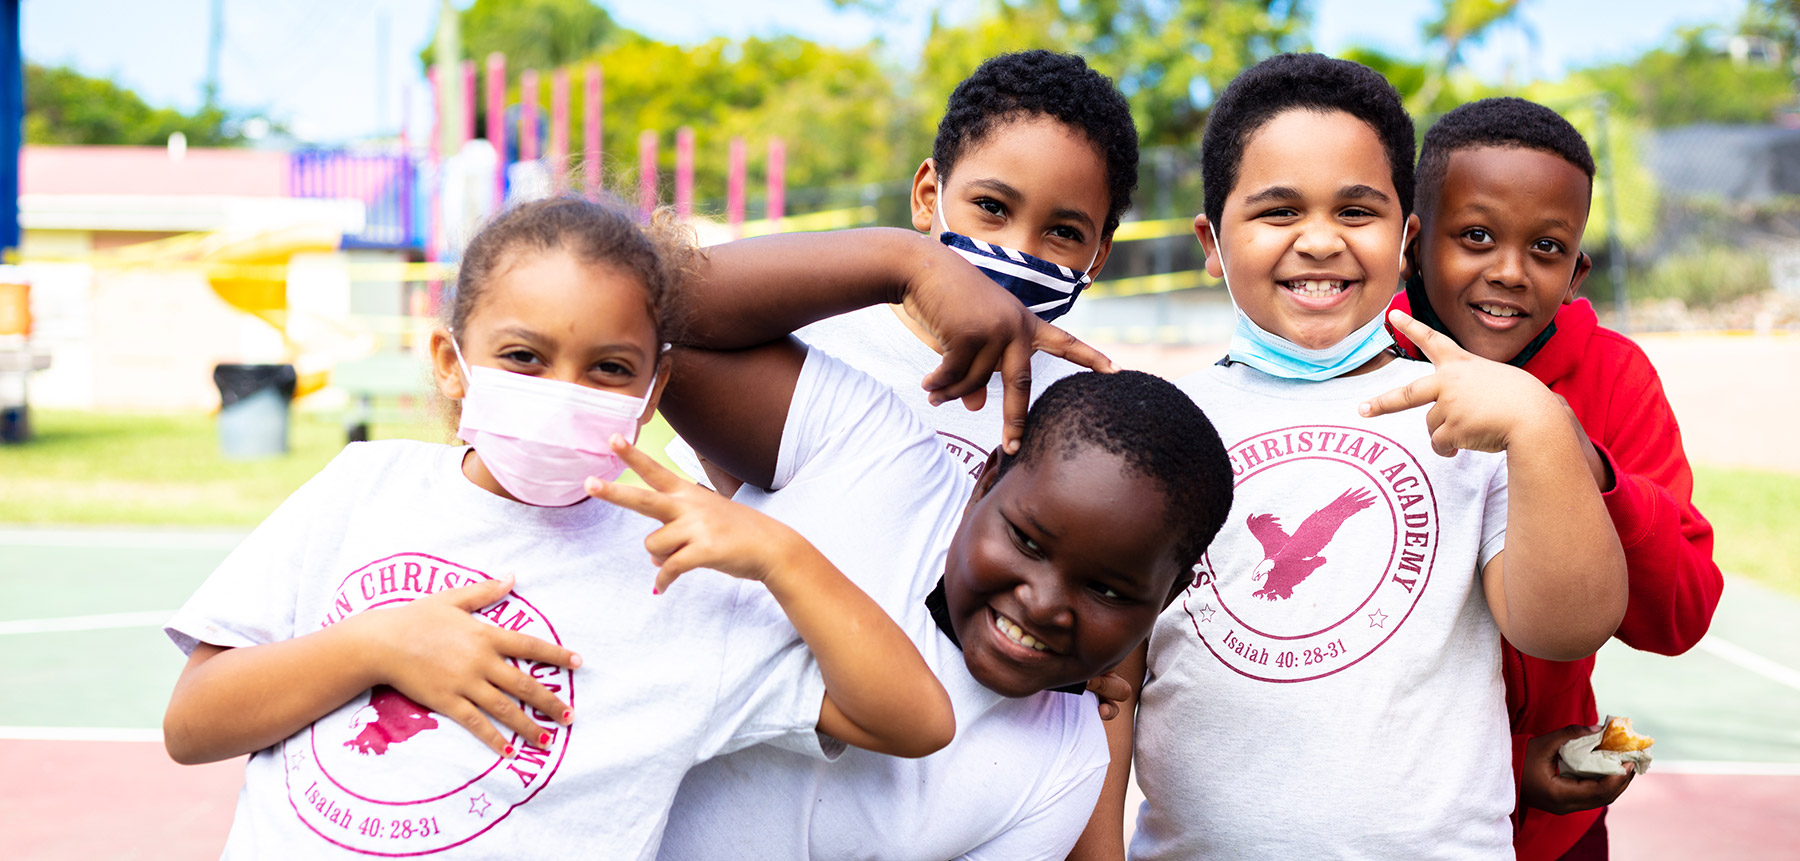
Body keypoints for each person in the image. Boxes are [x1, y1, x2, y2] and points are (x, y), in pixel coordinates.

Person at [160, 197, 954, 859]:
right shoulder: (365, 487)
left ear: (653, 388)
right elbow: (194, 724)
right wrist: (377, 644)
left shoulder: (683, 574)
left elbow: (914, 720)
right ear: (450, 361)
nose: (563, 390)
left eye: (609, 368)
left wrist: (783, 555)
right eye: (523, 356)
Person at [1078, 54, 1630, 859]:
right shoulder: (1157, 428)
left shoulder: (1470, 411)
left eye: (1357, 211)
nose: (1319, 240)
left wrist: (1540, 423)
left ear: (1405, 239)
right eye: (1278, 211)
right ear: (1211, 241)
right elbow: (1110, 686)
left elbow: (1567, 626)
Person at [619, 216, 1234, 858]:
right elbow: (650, 310)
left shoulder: (1065, 765)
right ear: (985, 482)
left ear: (1165, 600)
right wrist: (906, 264)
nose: (1044, 603)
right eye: (1027, 542)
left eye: (1108, 590)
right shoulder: (871, 454)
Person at [1391, 96, 1724, 860]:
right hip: (1391, 820)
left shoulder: (1615, 376)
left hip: (1552, 835)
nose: (1509, 271)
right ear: (1413, 242)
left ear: (1576, 270)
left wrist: (1583, 459)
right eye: (1476, 236)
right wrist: (1507, 767)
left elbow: (1680, 615)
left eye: (1546, 247)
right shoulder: (1361, 372)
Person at [667, 49, 1138, 487]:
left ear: (1098, 256)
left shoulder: (1094, 425)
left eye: (1065, 232)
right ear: (928, 197)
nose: (1020, 250)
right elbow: (666, 304)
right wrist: (905, 260)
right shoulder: (808, 337)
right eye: (992, 207)